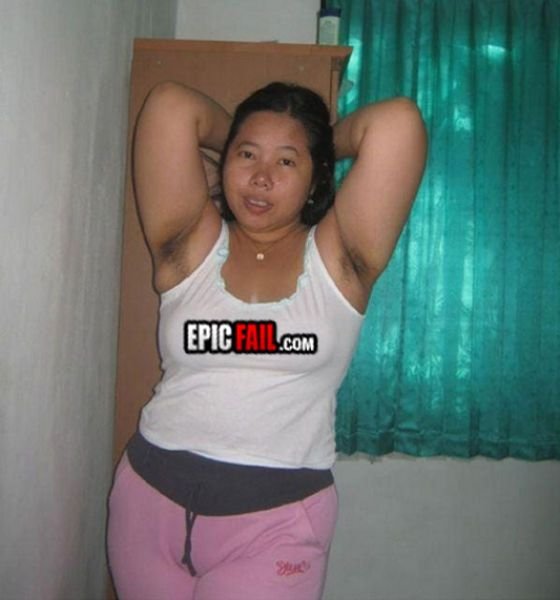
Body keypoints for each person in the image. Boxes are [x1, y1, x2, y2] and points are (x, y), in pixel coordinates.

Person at [107, 80, 426, 600]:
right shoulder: (190, 245)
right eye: (247, 154)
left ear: (315, 177)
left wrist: (319, 144)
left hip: (275, 520)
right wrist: (260, 137)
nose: (260, 177)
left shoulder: (340, 261)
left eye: (286, 162)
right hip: (149, 500)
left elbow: (399, 123)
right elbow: (168, 104)